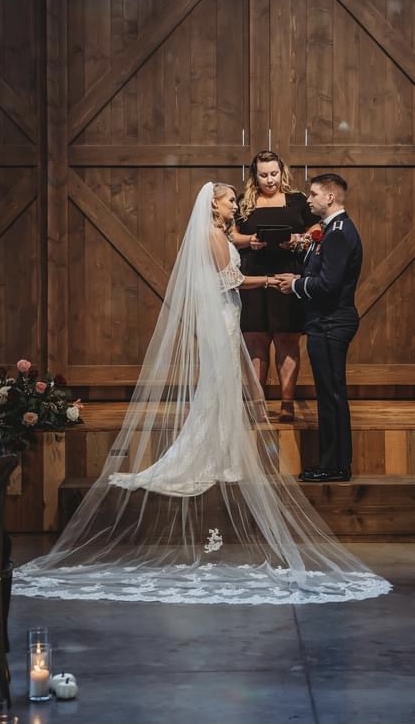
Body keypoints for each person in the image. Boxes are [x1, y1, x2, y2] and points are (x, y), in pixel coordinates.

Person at [13, 182, 390, 605]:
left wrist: (289, 264)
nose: (236, 205)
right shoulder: (213, 236)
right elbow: (229, 276)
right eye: (231, 200)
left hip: (232, 315)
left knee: (225, 386)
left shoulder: (225, 234)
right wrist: (270, 280)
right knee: (218, 386)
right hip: (225, 315)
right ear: (215, 205)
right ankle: (212, 455)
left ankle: (224, 454)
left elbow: (244, 258)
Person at [277, 174, 362, 483]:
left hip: (330, 322)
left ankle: (335, 465)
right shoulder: (329, 230)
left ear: (329, 197)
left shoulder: (338, 232)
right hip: (324, 321)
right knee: (329, 393)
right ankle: (333, 461)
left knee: (331, 396)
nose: (308, 199)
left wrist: (295, 284)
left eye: (313, 194)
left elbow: (328, 284)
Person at [231, 150, 319, 422]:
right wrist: (250, 242)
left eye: (274, 173)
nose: (269, 180)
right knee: (255, 339)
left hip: (288, 274)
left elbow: (318, 230)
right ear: (254, 176)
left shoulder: (297, 200)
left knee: (287, 338)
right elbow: (231, 234)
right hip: (253, 275)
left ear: (282, 172)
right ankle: (258, 405)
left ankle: (287, 403)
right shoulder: (244, 202)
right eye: (263, 175)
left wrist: (298, 240)